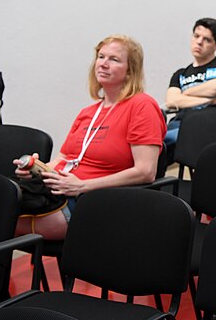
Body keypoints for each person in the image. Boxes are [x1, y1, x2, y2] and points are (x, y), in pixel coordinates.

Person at [14, 35, 166, 240]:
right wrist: (36, 170)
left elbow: (146, 172)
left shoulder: (142, 105)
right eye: (101, 56)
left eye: (114, 59)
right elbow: (62, 160)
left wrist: (82, 186)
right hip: (58, 193)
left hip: (93, 201)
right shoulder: (88, 112)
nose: (103, 63)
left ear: (130, 70)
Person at [163, 18, 216, 145]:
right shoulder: (180, 73)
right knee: (151, 140)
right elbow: (172, 101)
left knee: (162, 142)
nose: (199, 42)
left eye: (206, 39)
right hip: (181, 122)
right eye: (196, 36)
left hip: (211, 124)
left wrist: (186, 93)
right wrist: (207, 100)